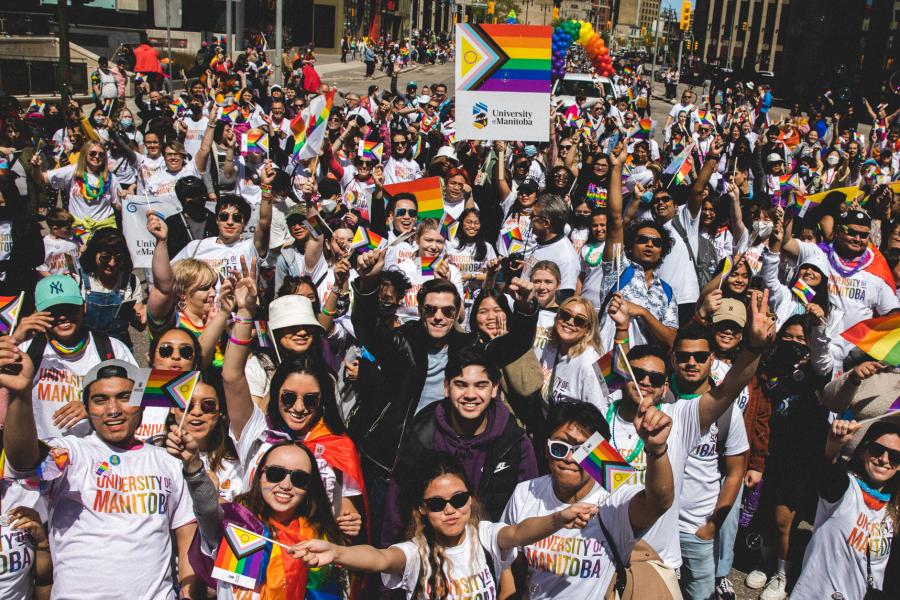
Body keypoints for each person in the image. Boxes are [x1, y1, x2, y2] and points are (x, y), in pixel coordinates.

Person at [0, 353, 196, 599]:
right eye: (100, 400)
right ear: (87, 409)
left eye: (124, 397)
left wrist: (189, 594)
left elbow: (187, 536)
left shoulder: (169, 463)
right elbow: (23, 460)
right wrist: (22, 394)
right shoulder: (72, 453)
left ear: (143, 403)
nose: (112, 410)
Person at [291, 452, 597, 599]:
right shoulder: (415, 554)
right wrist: (335, 551)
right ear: (423, 509)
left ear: (470, 498)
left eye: (459, 499)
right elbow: (380, 558)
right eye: (437, 504)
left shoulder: (485, 535)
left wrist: (557, 519)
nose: (450, 510)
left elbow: (518, 532)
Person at [222, 267, 366, 539]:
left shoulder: (338, 446)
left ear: (323, 402)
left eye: (310, 400)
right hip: (256, 559)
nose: (299, 407)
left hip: (312, 568)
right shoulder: (256, 432)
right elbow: (231, 376)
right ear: (275, 395)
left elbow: (345, 506)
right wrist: (245, 314)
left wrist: (349, 518)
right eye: (288, 398)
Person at [501, 400, 678, 599]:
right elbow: (505, 554)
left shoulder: (614, 499)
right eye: (559, 447)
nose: (569, 458)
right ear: (546, 450)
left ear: (597, 454)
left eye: (581, 450)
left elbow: (658, 502)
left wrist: (656, 449)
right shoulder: (526, 493)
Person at [380, 347, 539, 545]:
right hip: (433, 551)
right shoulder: (422, 436)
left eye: (481, 385)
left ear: (495, 388)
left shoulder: (514, 441)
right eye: (461, 385)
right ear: (446, 387)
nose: (470, 395)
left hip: (494, 553)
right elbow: (397, 508)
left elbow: (528, 509)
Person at [11, 274, 138, 440]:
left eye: (69, 308)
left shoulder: (112, 347)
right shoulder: (26, 349)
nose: (63, 317)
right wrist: (14, 340)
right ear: (37, 313)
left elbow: (150, 395)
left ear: (83, 307)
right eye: (53, 312)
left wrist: (94, 407)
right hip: (41, 453)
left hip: (98, 456)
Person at [789, 417, 898, 599]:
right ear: (863, 451)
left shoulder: (893, 509)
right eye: (878, 450)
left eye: (895, 456)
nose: (884, 459)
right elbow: (830, 474)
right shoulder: (845, 490)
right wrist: (833, 447)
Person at [78, 228, 146, 347]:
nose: (112, 263)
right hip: (87, 348)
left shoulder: (131, 281)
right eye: (105, 257)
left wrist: (143, 315)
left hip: (119, 347)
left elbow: (140, 326)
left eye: (118, 258)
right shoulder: (79, 280)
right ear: (94, 253)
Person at [538, 295, 606, 410]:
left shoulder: (590, 364)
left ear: (588, 330)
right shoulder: (551, 346)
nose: (570, 322)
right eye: (565, 315)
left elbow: (598, 413)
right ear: (557, 316)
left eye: (579, 320)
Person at [521, 194, 579, 299]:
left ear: (546, 223)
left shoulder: (566, 258)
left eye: (533, 216)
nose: (529, 218)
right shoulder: (544, 242)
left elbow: (563, 299)